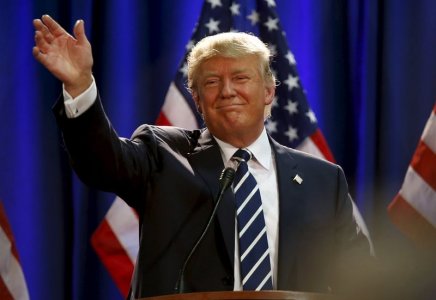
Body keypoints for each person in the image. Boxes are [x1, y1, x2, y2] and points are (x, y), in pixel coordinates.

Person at [33, 15, 372, 299]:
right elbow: (101, 165)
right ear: (196, 98)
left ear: (268, 91)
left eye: (241, 77)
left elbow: (361, 278)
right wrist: (80, 85)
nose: (227, 90)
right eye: (212, 81)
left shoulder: (323, 180)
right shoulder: (161, 153)